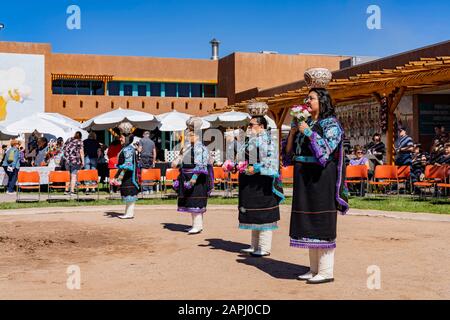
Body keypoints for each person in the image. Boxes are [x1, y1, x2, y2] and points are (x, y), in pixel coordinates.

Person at [285, 68, 349, 284]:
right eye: (307, 98)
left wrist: (307, 132)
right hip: (304, 179)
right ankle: (313, 269)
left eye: (311, 98)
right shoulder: (306, 123)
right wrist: (294, 132)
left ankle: (326, 271)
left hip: (321, 179)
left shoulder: (331, 124)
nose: (307, 101)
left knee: (321, 221)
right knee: (308, 222)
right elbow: (289, 155)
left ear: (322, 101)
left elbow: (325, 152)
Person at [237, 102, 285, 257]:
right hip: (250, 182)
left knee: (263, 214)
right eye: (249, 125)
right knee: (253, 213)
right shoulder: (248, 141)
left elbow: (271, 162)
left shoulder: (269, 140)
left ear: (262, 126)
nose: (249, 128)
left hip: (263, 183)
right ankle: (254, 245)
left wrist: (256, 168)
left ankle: (264, 247)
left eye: (252, 125)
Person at [172, 117, 214, 234]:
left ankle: (198, 226)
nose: (188, 137)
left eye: (191, 135)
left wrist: (193, 179)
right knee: (190, 202)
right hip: (186, 177)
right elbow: (182, 159)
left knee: (196, 202)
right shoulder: (188, 147)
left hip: (197, 178)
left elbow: (201, 166)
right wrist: (177, 161)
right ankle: (195, 225)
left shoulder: (200, 148)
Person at [112, 122, 140, 219]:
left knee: (129, 193)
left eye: (122, 137)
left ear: (127, 139)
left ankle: (129, 213)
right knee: (127, 193)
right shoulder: (126, 148)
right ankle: (128, 213)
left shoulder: (128, 149)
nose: (120, 139)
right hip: (127, 175)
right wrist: (117, 177)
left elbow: (127, 165)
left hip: (129, 176)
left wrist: (118, 178)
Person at [63, 131, 85, 195]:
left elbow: (64, 148)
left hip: (67, 160)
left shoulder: (69, 139)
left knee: (68, 175)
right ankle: (72, 191)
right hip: (75, 161)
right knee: (73, 176)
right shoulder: (80, 142)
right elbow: (81, 152)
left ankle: (66, 190)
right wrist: (83, 161)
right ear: (80, 136)